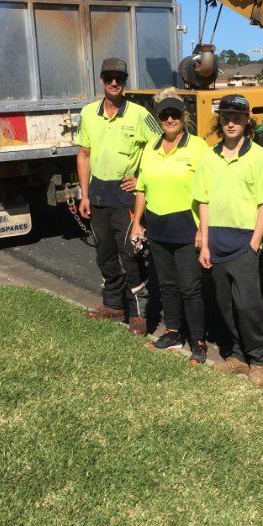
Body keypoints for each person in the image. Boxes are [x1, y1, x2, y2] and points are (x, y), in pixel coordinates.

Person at [194, 93, 263, 387]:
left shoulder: (259, 157)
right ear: (220, 121)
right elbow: (203, 200)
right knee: (224, 304)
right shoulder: (208, 156)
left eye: (237, 118)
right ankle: (237, 356)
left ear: (247, 121)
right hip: (216, 238)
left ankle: (260, 361)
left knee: (247, 306)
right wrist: (204, 239)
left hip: (244, 241)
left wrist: (254, 242)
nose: (231, 123)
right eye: (226, 118)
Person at [76, 58, 161, 335]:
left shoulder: (139, 114)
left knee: (131, 254)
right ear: (101, 80)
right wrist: (84, 195)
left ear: (125, 82)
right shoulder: (88, 113)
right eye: (109, 77)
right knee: (104, 254)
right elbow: (84, 155)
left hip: (125, 196)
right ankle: (113, 305)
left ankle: (139, 313)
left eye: (120, 78)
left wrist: (141, 179)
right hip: (98, 192)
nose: (115, 82)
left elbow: (160, 149)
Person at [131, 89, 209, 363]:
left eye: (175, 114)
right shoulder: (151, 148)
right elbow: (141, 189)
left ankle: (198, 340)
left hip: (187, 228)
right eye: (165, 115)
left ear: (184, 116)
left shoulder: (198, 147)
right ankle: (173, 332)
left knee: (190, 287)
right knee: (166, 285)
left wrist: (203, 230)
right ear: (159, 118)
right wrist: (137, 223)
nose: (170, 119)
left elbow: (208, 192)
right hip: (158, 226)